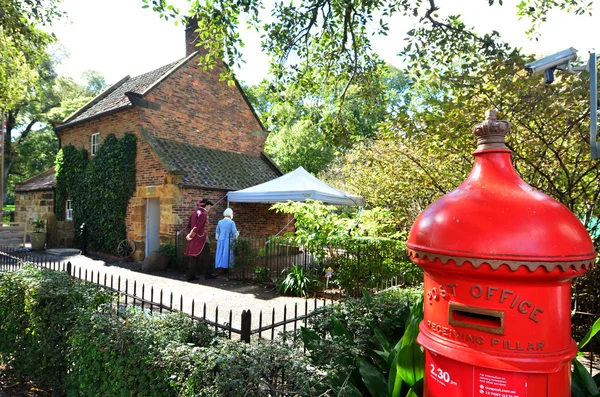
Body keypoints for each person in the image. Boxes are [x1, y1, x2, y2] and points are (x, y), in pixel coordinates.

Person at [184, 198, 217, 280]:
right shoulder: (203, 213)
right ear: (206, 205)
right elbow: (197, 226)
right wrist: (191, 235)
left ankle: (191, 275)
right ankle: (208, 274)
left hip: (194, 238)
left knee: (193, 257)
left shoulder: (194, 212)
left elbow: (188, 226)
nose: (209, 208)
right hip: (202, 238)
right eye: (209, 206)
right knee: (207, 256)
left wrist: (188, 235)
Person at [215, 208, 239, 272]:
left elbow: (217, 232)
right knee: (228, 254)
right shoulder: (231, 222)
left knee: (220, 253)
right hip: (228, 240)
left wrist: (218, 238)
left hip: (220, 240)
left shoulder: (220, 222)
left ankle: (220, 267)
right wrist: (238, 233)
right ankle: (228, 268)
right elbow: (234, 232)